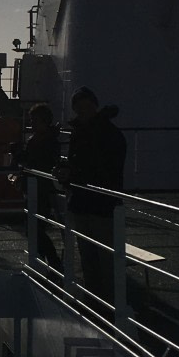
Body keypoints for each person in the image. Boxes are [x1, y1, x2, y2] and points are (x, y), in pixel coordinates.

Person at [55, 86, 127, 304]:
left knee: (103, 257)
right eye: (79, 107)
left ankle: (108, 302)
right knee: (89, 255)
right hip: (85, 200)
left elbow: (105, 168)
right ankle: (97, 299)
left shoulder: (104, 133)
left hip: (99, 202)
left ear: (94, 106)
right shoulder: (92, 131)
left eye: (85, 105)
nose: (81, 110)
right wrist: (67, 173)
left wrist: (73, 174)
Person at [14, 103, 63, 272]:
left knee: (34, 230)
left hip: (41, 189)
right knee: (33, 229)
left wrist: (21, 156)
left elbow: (38, 161)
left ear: (43, 121)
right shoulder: (44, 139)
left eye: (34, 120)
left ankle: (53, 264)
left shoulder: (44, 141)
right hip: (36, 187)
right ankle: (50, 264)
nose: (31, 123)